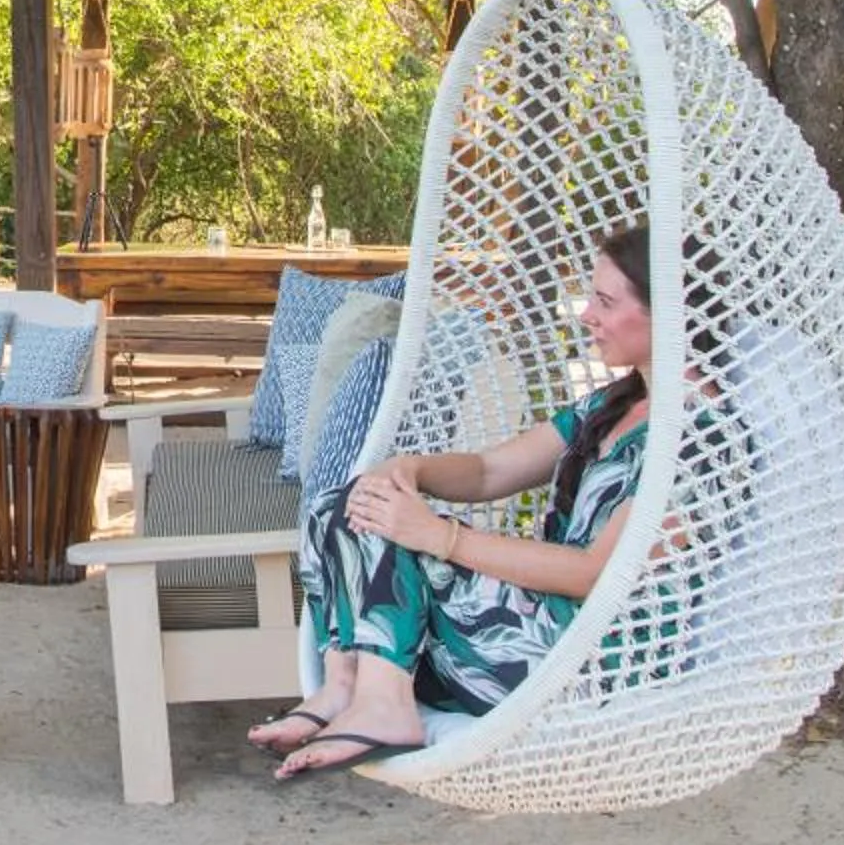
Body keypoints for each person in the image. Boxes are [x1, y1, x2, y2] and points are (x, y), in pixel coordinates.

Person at [250, 221, 703, 781]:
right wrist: (411, 471)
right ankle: (344, 686)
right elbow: (492, 470)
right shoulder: (614, 405)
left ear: (672, 314)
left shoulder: (697, 441)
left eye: (606, 302)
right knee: (348, 503)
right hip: (524, 628)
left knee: (390, 527)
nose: (587, 314)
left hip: (583, 658)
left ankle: (387, 706)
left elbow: (596, 573)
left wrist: (440, 537)